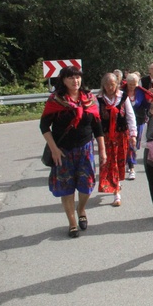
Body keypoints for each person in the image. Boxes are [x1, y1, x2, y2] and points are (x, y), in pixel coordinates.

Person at [40, 66, 106, 238]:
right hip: (63, 151)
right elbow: (44, 126)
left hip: (85, 149)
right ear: (63, 80)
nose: (75, 81)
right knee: (66, 188)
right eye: (70, 78)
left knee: (87, 186)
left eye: (77, 77)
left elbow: (97, 127)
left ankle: (81, 208)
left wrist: (103, 150)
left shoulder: (89, 99)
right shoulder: (55, 100)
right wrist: (53, 149)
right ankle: (72, 223)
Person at [97, 73, 137, 207]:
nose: (109, 87)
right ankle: (116, 193)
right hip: (106, 137)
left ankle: (116, 185)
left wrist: (133, 135)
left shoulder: (123, 97)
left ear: (117, 85)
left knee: (119, 162)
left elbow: (130, 116)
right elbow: (95, 121)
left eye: (112, 84)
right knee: (109, 162)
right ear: (103, 85)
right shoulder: (99, 100)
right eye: (107, 84)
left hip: (121, 135)